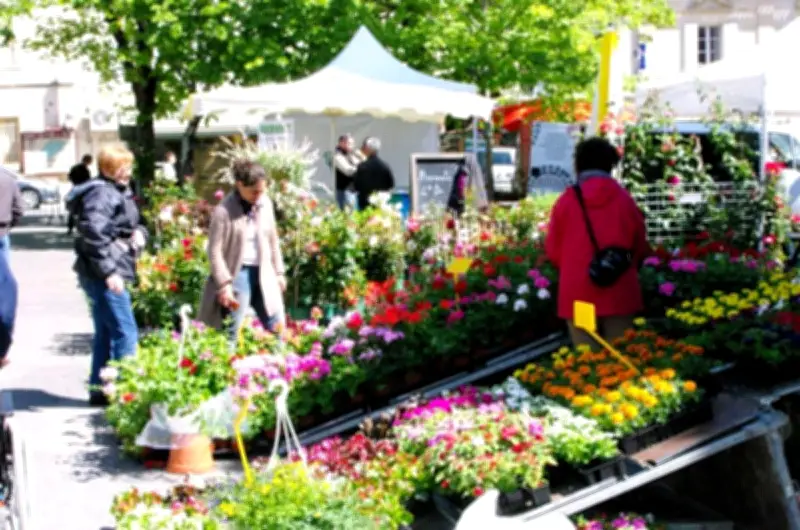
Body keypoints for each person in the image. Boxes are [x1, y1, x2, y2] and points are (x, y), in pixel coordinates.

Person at [544, 137, 650, 349]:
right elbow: (640, 244)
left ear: (577, 165)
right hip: (619, 289)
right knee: (622, 360)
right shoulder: (624, 199)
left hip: (579, 293)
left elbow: (553, 251)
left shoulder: (567, 200)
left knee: (587, 362)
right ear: (610, 165)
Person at [68, 145, 147, 407]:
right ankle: (127, 394)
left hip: (109, 265)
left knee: (105, 331)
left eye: (128, 166)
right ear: (106, 169)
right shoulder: (102, 193)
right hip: (106, 269)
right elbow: (94, 234)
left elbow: (132, 224)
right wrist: (109, 272)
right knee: (126, 332)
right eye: (120, 168)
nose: (126, 172)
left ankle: (100, 389)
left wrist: (139, 234)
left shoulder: (117, 190)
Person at [198, 159, 287, 346]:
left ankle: (282, 369)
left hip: (265, 272)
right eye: (253, 191)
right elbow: (214, 251)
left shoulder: (266, 204)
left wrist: (279, 272)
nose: (258, 195)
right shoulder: (223, 211)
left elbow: (273, 240)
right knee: (231, 332)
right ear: (239, 185)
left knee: (278, 328)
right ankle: (226, 371)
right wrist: (224, 283)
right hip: (238, 274)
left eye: (262, 191)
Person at [353, 137, 394, 210]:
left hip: (365, 204)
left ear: (367, 149)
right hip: (380, 202)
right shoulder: (385, 166)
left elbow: (356, 186)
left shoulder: (362, 166)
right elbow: (390, 184)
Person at [333, 134, 362, 210]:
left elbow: (359, 163)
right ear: (341, 143)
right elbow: (348, 170)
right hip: (344, 191)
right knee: (347, 216)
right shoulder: (337, 155)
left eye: (352, 144)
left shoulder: (351, 154)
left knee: (353, 215)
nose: (352, 146)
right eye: (349, 143)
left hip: (353, 190)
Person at [0, 167, 23, 262]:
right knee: (4, 268)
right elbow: (19, 207)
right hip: (3, 228)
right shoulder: (9, 179)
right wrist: (11, 224)